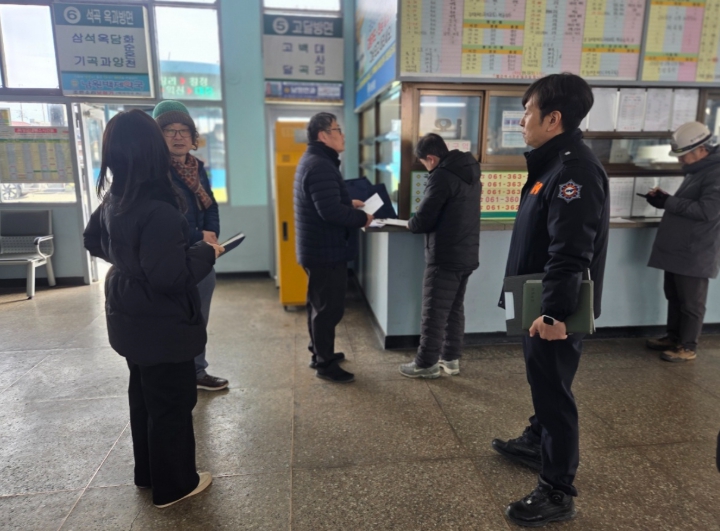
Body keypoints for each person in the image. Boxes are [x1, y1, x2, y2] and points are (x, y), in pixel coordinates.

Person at [83, 110, 223, 508]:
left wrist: (130, 262)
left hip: (129, 313)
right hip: (161, 323)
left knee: (144, 396)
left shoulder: (116, 196)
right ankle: (175, 485)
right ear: (151, 150)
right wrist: (206, 253)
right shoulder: (158, 207)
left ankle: (147, 474)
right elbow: (171, 278)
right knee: (172, 403)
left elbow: (92, 239)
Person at [492, 73, 610, 527]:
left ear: (553, 118)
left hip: (552, 307)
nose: (522, 120)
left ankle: (557, 489)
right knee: (543, 382)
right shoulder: (554, 164)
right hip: (536, 299)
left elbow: (571, 250)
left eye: (528, 111)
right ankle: (536, 439)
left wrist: (554, 312)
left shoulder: (574, 170)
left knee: (553, 392)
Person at [153, 100, 228, 391]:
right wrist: (200, 236)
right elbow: (167, 218)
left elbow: (211, 204)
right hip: (171, 259)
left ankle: (196, 371)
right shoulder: (155, 171)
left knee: (199, 318)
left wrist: (211, 233)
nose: (178, 136)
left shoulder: (197, 168)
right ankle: (176, 375)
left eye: (184, 130)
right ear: (157, 135)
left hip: (200, 257)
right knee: (174, 320)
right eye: (169, 130)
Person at [294, 112, 372, 383]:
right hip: (324, 251)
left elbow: (323, 202)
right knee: (328, 310)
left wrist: (348, 203)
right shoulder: (320, 165)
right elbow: (329, 212)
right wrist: (361, 218)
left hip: (317, 248)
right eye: (338, 130)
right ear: (323, 135)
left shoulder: (316, 160)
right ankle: (325, 364)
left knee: (318, 305)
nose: (343, 135)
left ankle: (319, 352)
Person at [398, 133, 481, 378]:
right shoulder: (469, 170)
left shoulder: (442, 176)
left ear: (431, 158)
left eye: (424, 162)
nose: (425, 167)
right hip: (466, 253)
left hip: (445, 255)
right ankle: (451, 359)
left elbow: (423, 220)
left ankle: (426, 364)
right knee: (454, 309)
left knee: (433, 312)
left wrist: (410, 223)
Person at [644, 122, 720, 362]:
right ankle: (673, 337)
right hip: (680, 248)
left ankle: (687, 346)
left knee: (691, 303)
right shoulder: (698, 170)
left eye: (683, 154)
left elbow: (708, 211)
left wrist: (668, 202)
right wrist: (664, 200)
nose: (680, 160)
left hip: (695, 249)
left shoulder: (716, 172)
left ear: (701, 149)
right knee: (675, 296)